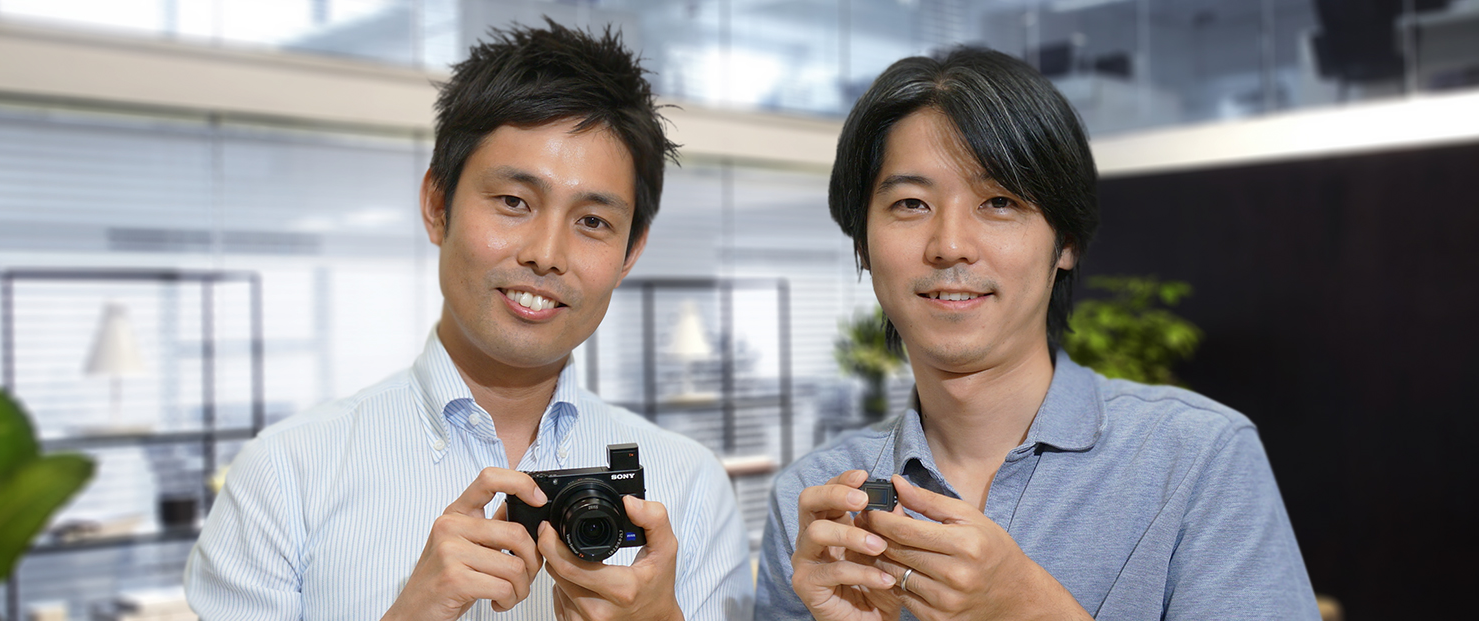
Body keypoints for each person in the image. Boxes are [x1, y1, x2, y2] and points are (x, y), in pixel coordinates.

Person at [186, 21, 751, 621]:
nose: (546, 254)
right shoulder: (285, 476)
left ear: (629, 253)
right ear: (438, 206)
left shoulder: (689, 487)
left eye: (593, 222)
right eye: (514, 202)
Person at [753, 47, 1317, 620]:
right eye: (911, 203)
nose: (950, 244)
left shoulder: (1197, 457)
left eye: (998, 202)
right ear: (862, 246)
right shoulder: (817, 505)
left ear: (1065, 242)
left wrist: (1028, 606)